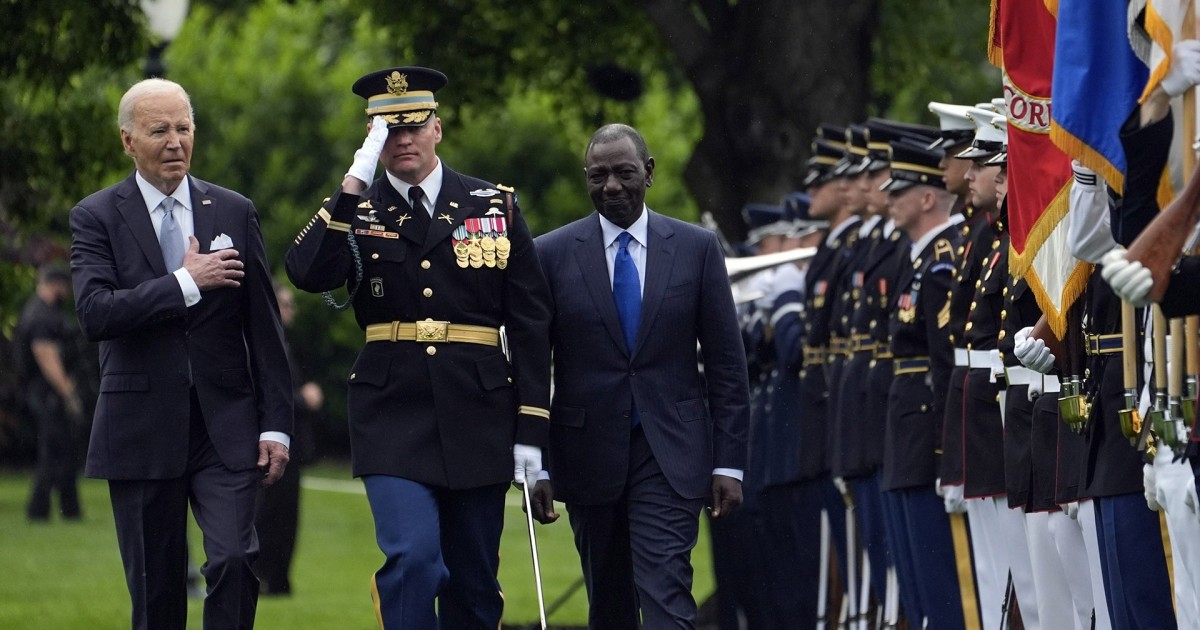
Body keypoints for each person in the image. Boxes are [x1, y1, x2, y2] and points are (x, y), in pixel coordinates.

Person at [285, 66, 552, 628]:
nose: (402, 139)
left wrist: (531, 427)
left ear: (438, 128)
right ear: (372, 137)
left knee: (473, 579)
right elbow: (306, 272)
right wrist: (352, 183)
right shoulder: (358, 207)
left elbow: (530, 321)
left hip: (478, 409)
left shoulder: (493, 205)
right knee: (414, 558)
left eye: (413, 126)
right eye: (388, 130)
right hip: (392, 411)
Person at [68, 78, 293, 629]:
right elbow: (96, 313)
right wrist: (184, 282)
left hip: (226, 426)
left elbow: (264, 328)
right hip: (140, 426)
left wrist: (276, 425)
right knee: (157, 592)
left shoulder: (234, 211)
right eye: (159, 130)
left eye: (184, 128)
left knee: (236, 560)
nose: (175, 142)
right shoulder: (95, 216)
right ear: (128, 141)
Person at [530, 123, 749, 629]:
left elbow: (726, 366)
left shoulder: (697, 249)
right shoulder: (551, 254)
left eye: (624, 173)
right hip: (587, 455)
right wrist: (535, 464)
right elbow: (534, 369)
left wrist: (730, 463)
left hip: (670, 452)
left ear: (648, 173)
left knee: (667, 592)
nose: (611, 187)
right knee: (608, 604)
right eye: (597, 175)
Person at [878, 138, 968, 630]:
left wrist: (946, 451)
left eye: (901, 191)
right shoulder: (917, 258)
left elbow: (942, 363)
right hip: (906, 427)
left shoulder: (941, 259)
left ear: (928, 198)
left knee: (942, 579)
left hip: (926, 429)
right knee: (920, 580)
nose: (889, 200)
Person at [254, 284, 322, 596]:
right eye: (285, 305)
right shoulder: (264, 344)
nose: (291, 311)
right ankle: (268, 577)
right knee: (270, 516)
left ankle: (279, 579)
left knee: (286, 517)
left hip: (292, 447)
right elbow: (266, 393)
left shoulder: (284, 344)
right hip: (271, 447)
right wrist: (303, 398)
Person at [18, 264, 84, 522]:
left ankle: (69, 509)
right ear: (57, 285)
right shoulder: (42, 316)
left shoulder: (38, 311)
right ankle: (39, 510)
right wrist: (68, 391)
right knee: (54, 451)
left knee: (61, 449)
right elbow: (46, 356)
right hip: (47, 393)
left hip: (42, 393)